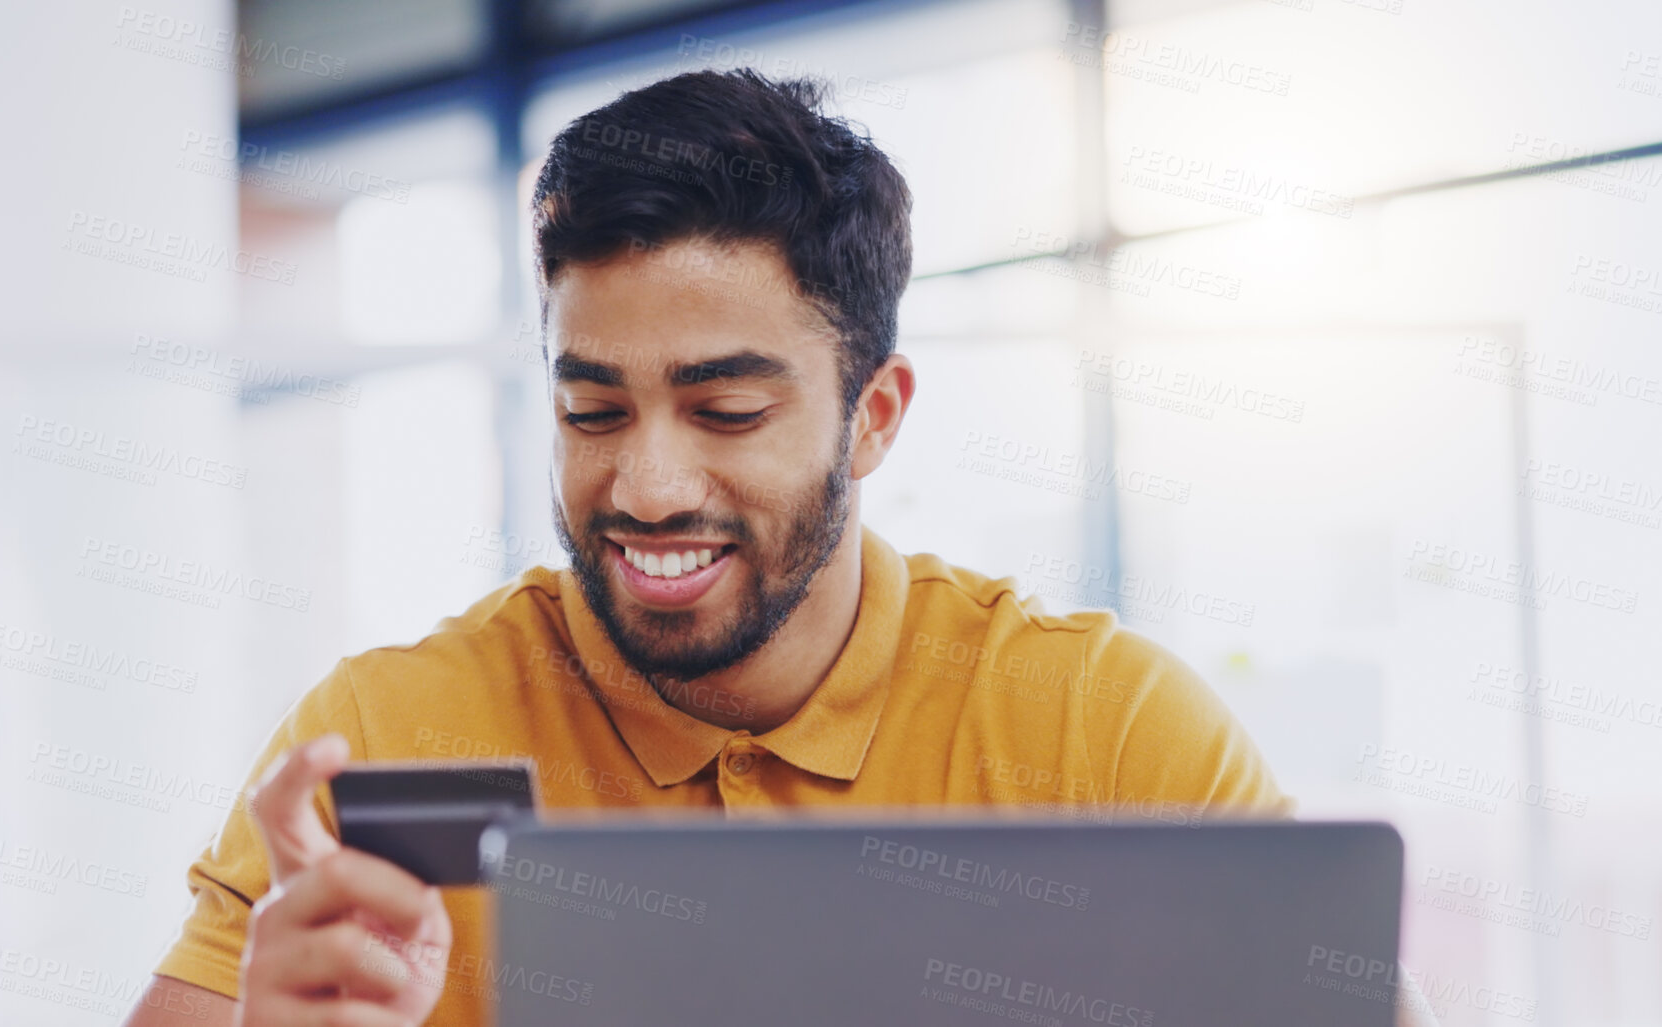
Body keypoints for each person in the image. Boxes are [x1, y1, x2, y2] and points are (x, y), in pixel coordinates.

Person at [122, 69, 1380, 1027]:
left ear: (872, 416)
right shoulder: (384, 729)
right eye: (591, 410)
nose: (648, 484)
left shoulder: (1100, 728)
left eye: (728, 410)